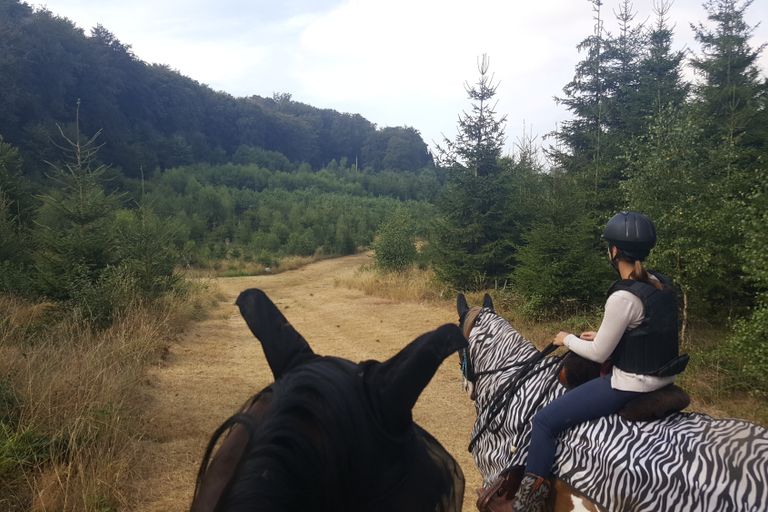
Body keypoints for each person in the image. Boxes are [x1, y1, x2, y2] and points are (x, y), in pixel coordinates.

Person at [511, 211, 688, 512]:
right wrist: (601, 335)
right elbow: (645, 331)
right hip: (664, 378)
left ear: (614, 251)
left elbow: (598, 355)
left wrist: (566, 338)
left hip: (631, 384)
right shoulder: (661, 284)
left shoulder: (622, 297)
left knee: (543, 421)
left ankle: (528, 501)